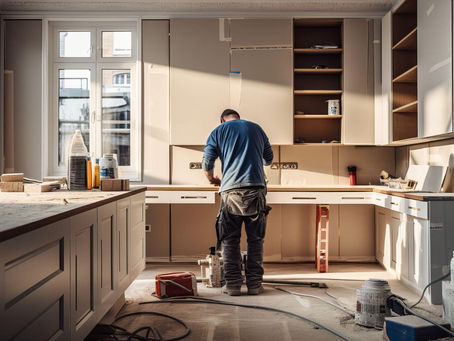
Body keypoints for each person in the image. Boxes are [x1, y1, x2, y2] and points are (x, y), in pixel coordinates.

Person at [202, 109, 273, 296]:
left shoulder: (219, 130)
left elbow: (208, 160)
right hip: (256, 190)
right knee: (255, 240)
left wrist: (211, 179)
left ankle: (233, 285)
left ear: (222, 120)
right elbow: (269, 159)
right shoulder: (256, 128)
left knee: (230, 240)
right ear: (239, 118)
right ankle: (255, 285)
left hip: (230, 191)